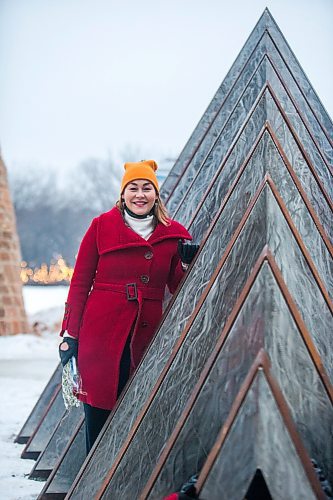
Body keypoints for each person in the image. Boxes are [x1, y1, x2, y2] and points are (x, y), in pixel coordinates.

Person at [58, 160, 199, 453]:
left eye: (147, 188)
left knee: (137, 413)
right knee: (98, 413)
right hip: (101, 334)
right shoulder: (101, 227)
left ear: (156, 194)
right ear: (123, 194)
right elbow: (81, 282)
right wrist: (70, 333)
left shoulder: (174, 233)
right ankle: (93, 485)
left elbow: (178, 286)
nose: (139, 194)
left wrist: (185, 262)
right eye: (132, 188)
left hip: (146, 335)